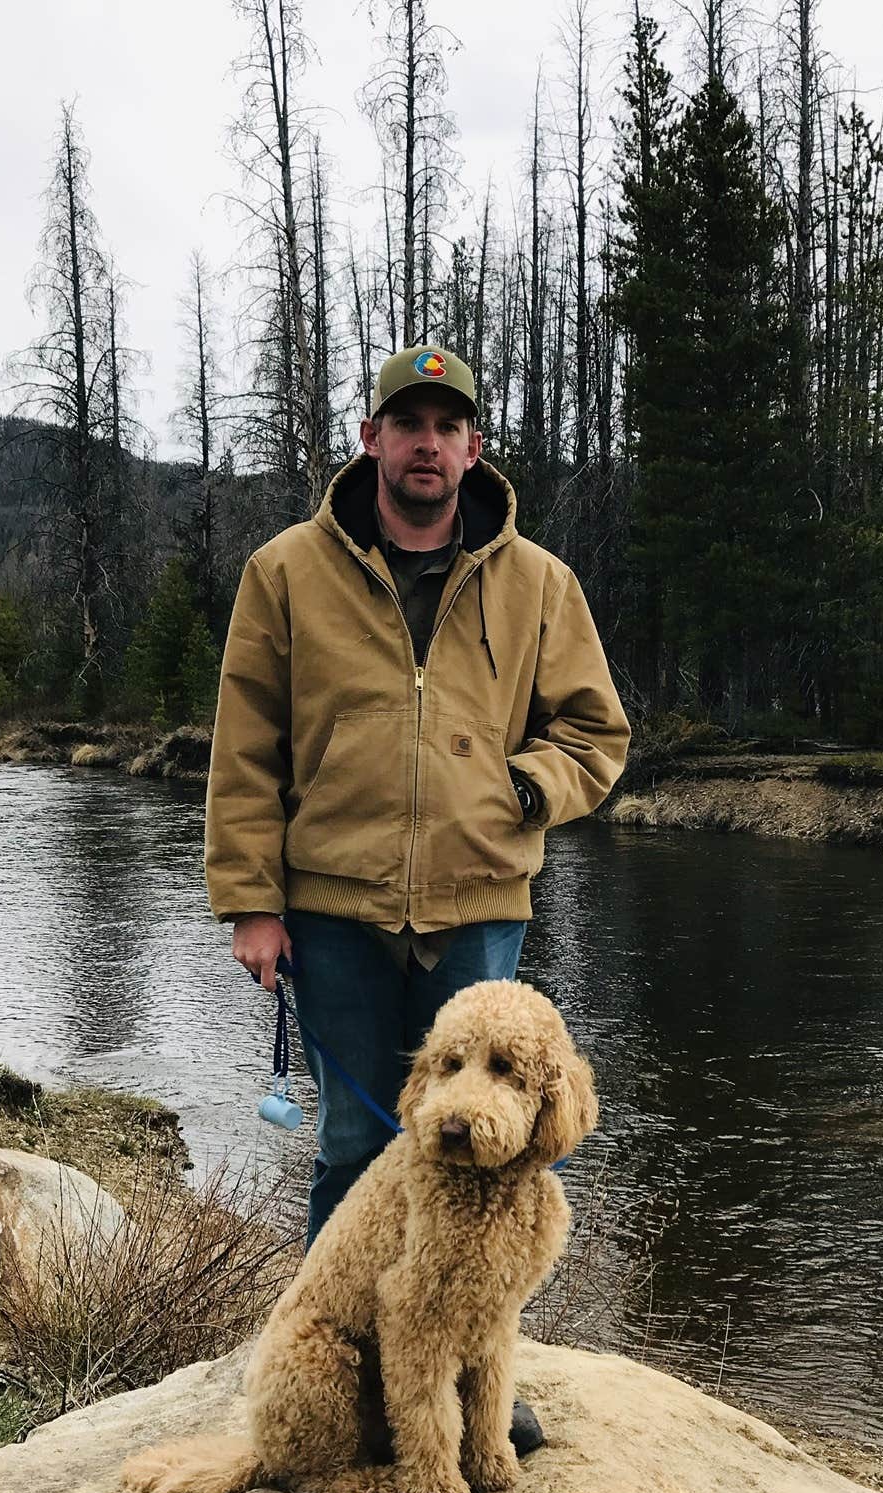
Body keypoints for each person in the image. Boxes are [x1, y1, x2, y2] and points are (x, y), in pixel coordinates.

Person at [205, 342, 630, 1252]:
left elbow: (596, 736)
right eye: (407, 424)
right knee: (354, 1142)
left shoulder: (542, 585)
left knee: (490, 1152)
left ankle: (473, 1363)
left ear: (475, 448)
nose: (426, 444)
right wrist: (251, 902)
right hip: (332, 913)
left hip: (478, 909)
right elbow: (245, 748)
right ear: (371, 439)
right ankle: (343, 1350)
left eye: (447, 427)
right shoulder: (283, 573)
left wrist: (523, 787)